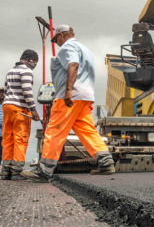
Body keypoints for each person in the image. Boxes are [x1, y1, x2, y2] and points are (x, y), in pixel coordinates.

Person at [22, 25, 115, 182]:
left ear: (62, 35)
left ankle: (44, 171)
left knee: (54, 131)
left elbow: (73, 65)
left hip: (70, 97)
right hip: (85, 96)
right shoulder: (85, 49)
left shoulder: (67, 47)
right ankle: (105, 162)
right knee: (87, 130)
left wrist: (68, 91)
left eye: (56, 39)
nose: (57, 42)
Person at [1, 50, 40, 180]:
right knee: (20, 138)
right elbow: (27, 91)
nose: (35, 65)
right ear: (30, 61)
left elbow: (6, 90)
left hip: (7, 107)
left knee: (7, 139)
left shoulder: (10, 71)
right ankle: (17, 171)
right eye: (35, 62)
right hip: (19, 109)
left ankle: (6, 171)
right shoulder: (27, 71)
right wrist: (33, 109)